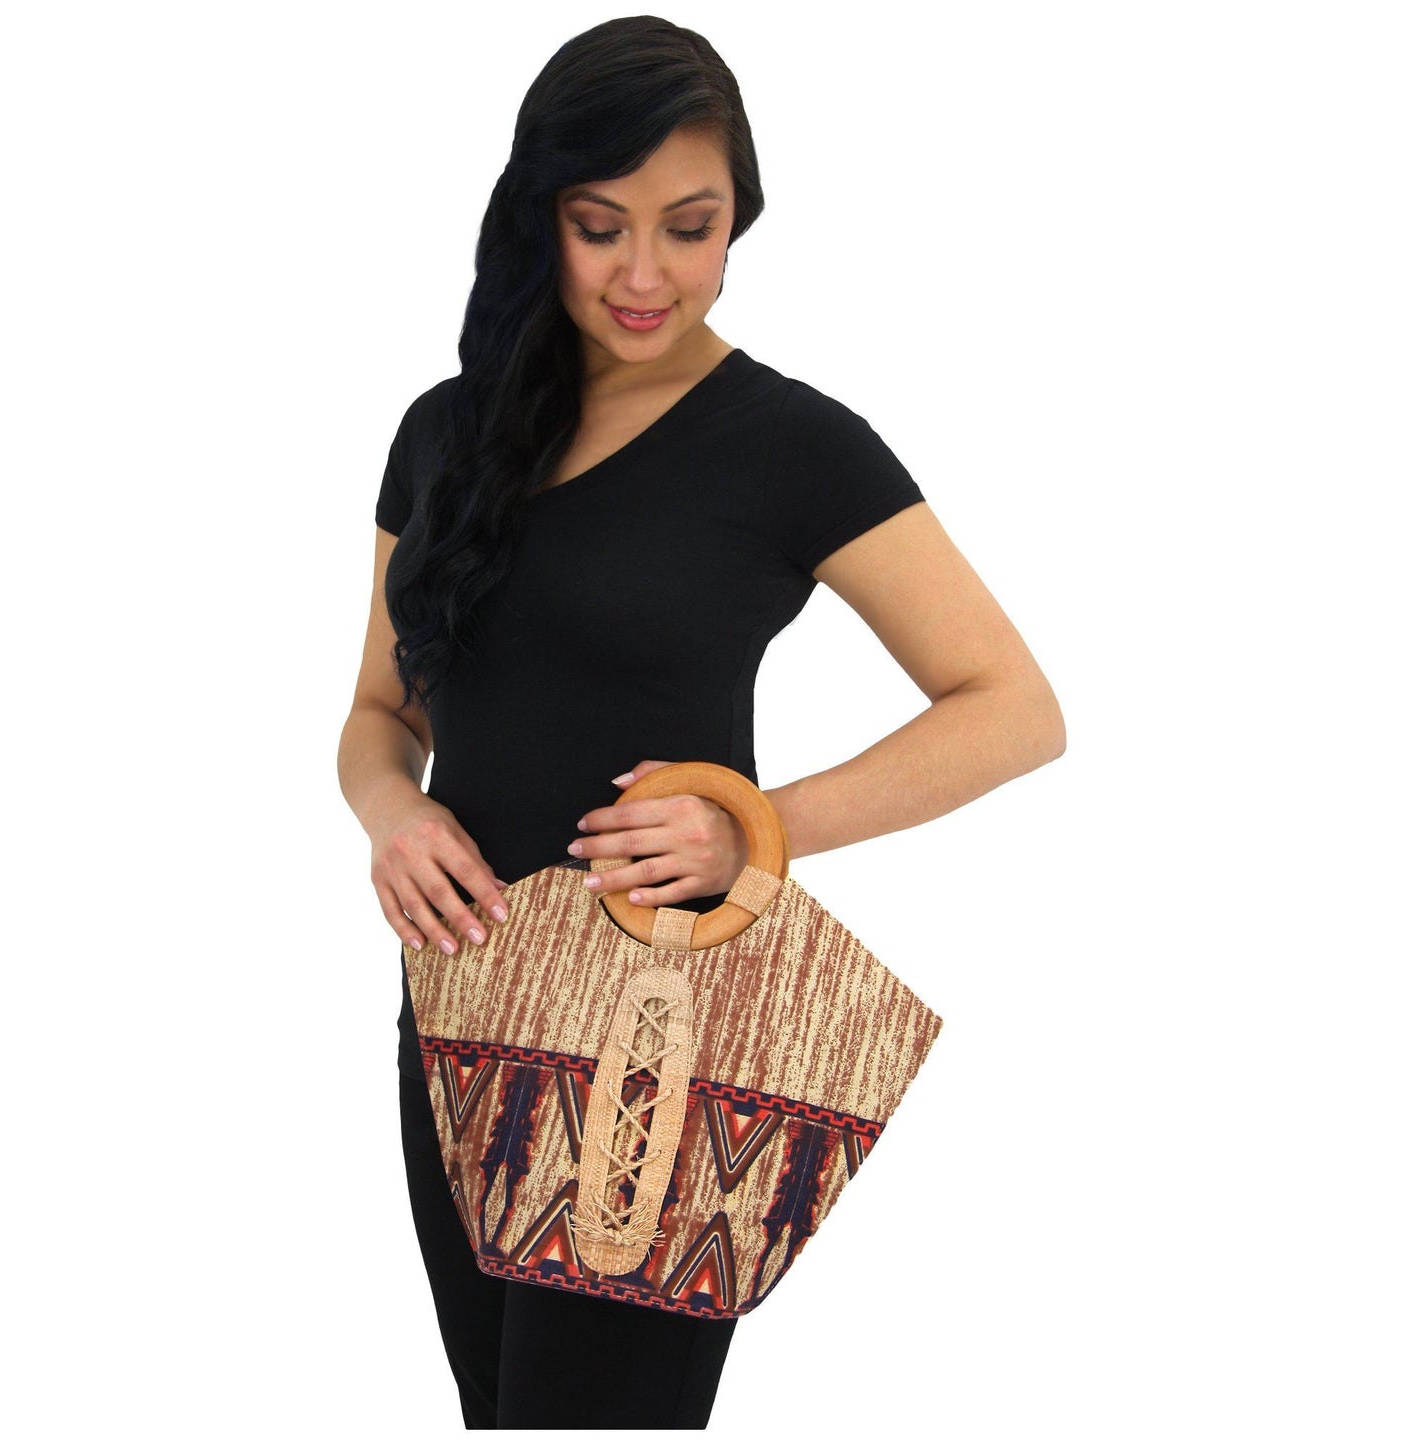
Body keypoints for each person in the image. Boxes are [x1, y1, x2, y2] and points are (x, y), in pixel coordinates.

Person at [337, 14, 1065, 1432]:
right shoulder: (444, 434)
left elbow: (1014, 709)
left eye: (690, 226)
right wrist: (392, 811)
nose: (643, 274)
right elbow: (378, 711)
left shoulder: (791, 445)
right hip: (459, 1012)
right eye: (598, 225)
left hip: (660, 1035)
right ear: (538, 215)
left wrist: (759, 825)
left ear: (740, 221)